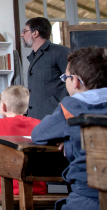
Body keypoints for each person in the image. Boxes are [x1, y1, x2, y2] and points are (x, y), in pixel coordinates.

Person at [31, 47, 107, 210]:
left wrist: (69, 134)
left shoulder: (72, 106)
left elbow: (38, 134)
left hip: (89, 196)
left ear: (76, 81)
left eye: (65, 77)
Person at [0, 85, 47, 195]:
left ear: (4, 107)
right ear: (26, 108)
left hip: (6, 191)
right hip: (37, 190)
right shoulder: (39, 124)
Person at [0, 17, 71, 120]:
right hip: (34, 118)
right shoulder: (34, 57)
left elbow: (75, 81)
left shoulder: (60, 52)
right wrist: (4, 98)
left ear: (35, 33)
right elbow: (36, 91)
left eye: (25, 31)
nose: (22, 34)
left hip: (54, 117)